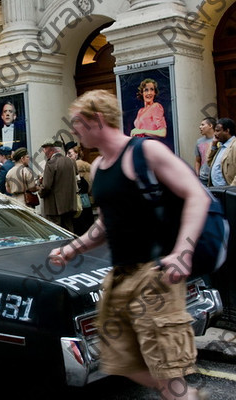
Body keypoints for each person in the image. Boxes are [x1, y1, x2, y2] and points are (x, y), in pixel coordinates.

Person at [49, 89, 209, 400]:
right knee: (119, 361)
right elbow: (105, 225)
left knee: (167, 373)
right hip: (120, 276)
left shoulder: (146, 152)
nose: (73, 131)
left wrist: (183, 252)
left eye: (77, 123)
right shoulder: (98, 167)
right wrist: (72, 249)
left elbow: (197, 195)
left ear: (98, 120)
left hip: (155, 275)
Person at [39, 140, 78, 232]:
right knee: (69, 231)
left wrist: (40, 191)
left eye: (45, 149)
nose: (44, 151)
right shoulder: (71, 161)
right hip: (69, 204)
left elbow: (46, 186)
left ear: (52, 150)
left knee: (56, 233)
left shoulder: (51, 163)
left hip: (54, 207)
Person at [66, 141, 94, 236]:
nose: (67, 156)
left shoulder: (73, 167)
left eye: (69, 153)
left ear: (76, 154)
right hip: (87, 200)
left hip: (79, 202)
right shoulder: (88, 167)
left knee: (80, 226)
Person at [207, 117, 236, 187]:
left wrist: (232, 189)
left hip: (229, 191)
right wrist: (214, 146)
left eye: (217, 131)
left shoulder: (234, 145)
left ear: (227, 131)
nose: (215, 134)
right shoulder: (221, 146)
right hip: (217, 189)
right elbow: (209, 163)